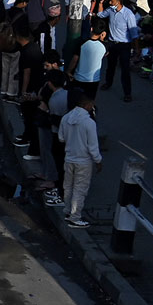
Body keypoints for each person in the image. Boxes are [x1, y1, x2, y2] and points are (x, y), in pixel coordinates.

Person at [58, 88, 101, 229]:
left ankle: (67, 210)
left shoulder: (66, 118)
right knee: (80, 189)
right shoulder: (89, 123)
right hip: (83, 161)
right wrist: (98, 161)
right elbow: (93, 147)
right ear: (87, 105)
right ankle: (75, 217)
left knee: (68, 186)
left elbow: (61, 138)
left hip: (69, 158)